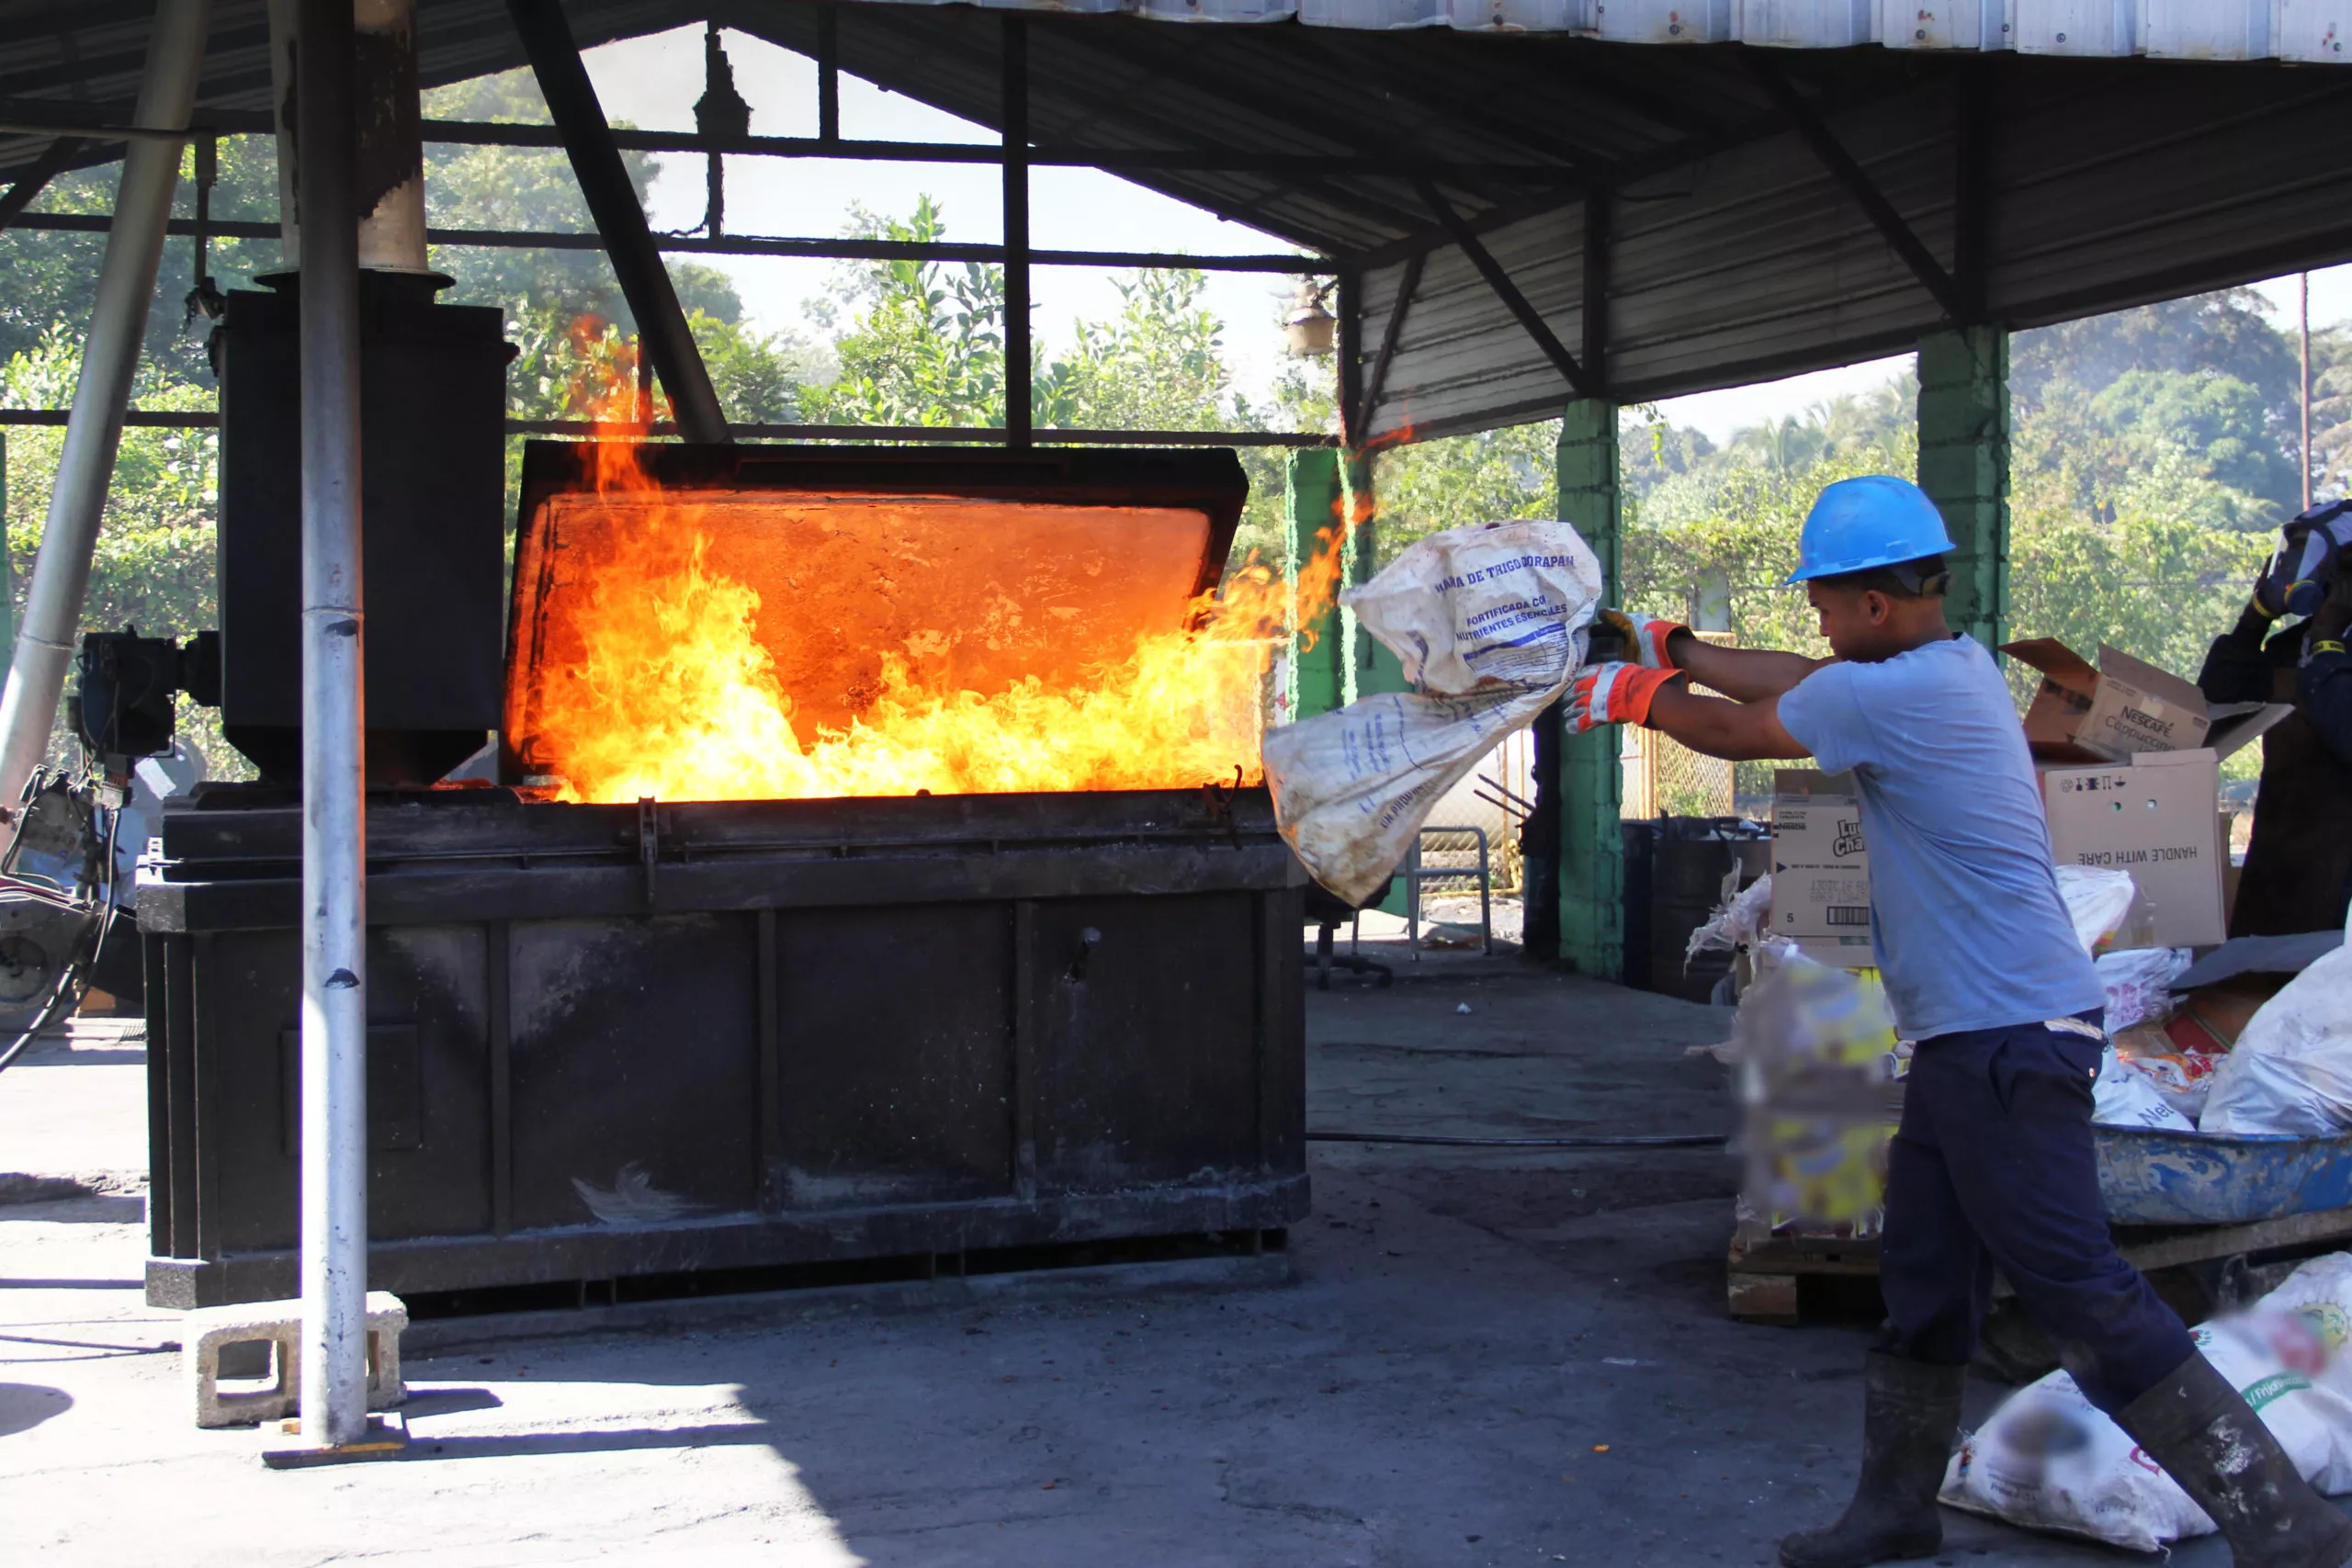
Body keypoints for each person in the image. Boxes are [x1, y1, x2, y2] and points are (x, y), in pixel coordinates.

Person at [1568, 475, 2352, 1568]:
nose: (1819, 624)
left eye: (1827, 603)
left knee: (2080, 1290)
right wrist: (1674, 646)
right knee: (1926, 1281)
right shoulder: (1949, 666)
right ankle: (1895, 1510)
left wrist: (1622, 694)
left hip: (2010, 1038)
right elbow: (1799, 680)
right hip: (1965, 1040)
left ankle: (2284, 1525)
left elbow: (1749, 730)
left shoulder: (1891, 696)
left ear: (1875, 607)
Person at [2196, 502, 2352, 937]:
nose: (2292, 568)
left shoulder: (2325, 648)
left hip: (2340, 874)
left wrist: (2327, 642)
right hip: (2279, 854)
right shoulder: (2290, 647)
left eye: (2307, 556)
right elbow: (2215, 702)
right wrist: (2256, 618)